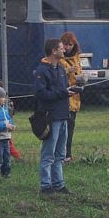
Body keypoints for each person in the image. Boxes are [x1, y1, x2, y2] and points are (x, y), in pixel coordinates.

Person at [33, 38, 76, 196]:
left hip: (63, 115)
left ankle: (59, 184)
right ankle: (45, 185)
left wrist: (70, 91)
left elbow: (61, 90)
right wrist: (63, 93)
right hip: (51, 116)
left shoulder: (61, 69)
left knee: (60, 153)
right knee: (48, 153)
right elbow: (41, 94)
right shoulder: (42, 71)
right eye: (61, 48)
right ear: (53, 51)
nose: (64, 50)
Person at [59, 31, 83, 161]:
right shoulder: (58, 58)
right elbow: (55, 73)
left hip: (75, 97)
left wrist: (82, 79)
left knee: (70, 127)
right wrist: (68, 71)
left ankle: (68, 154)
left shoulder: (77, 57)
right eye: (66, 44)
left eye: (70, 44)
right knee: (63, 128)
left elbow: (79, 73)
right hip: (63, 96)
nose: (68, 47)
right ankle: (63, 154)